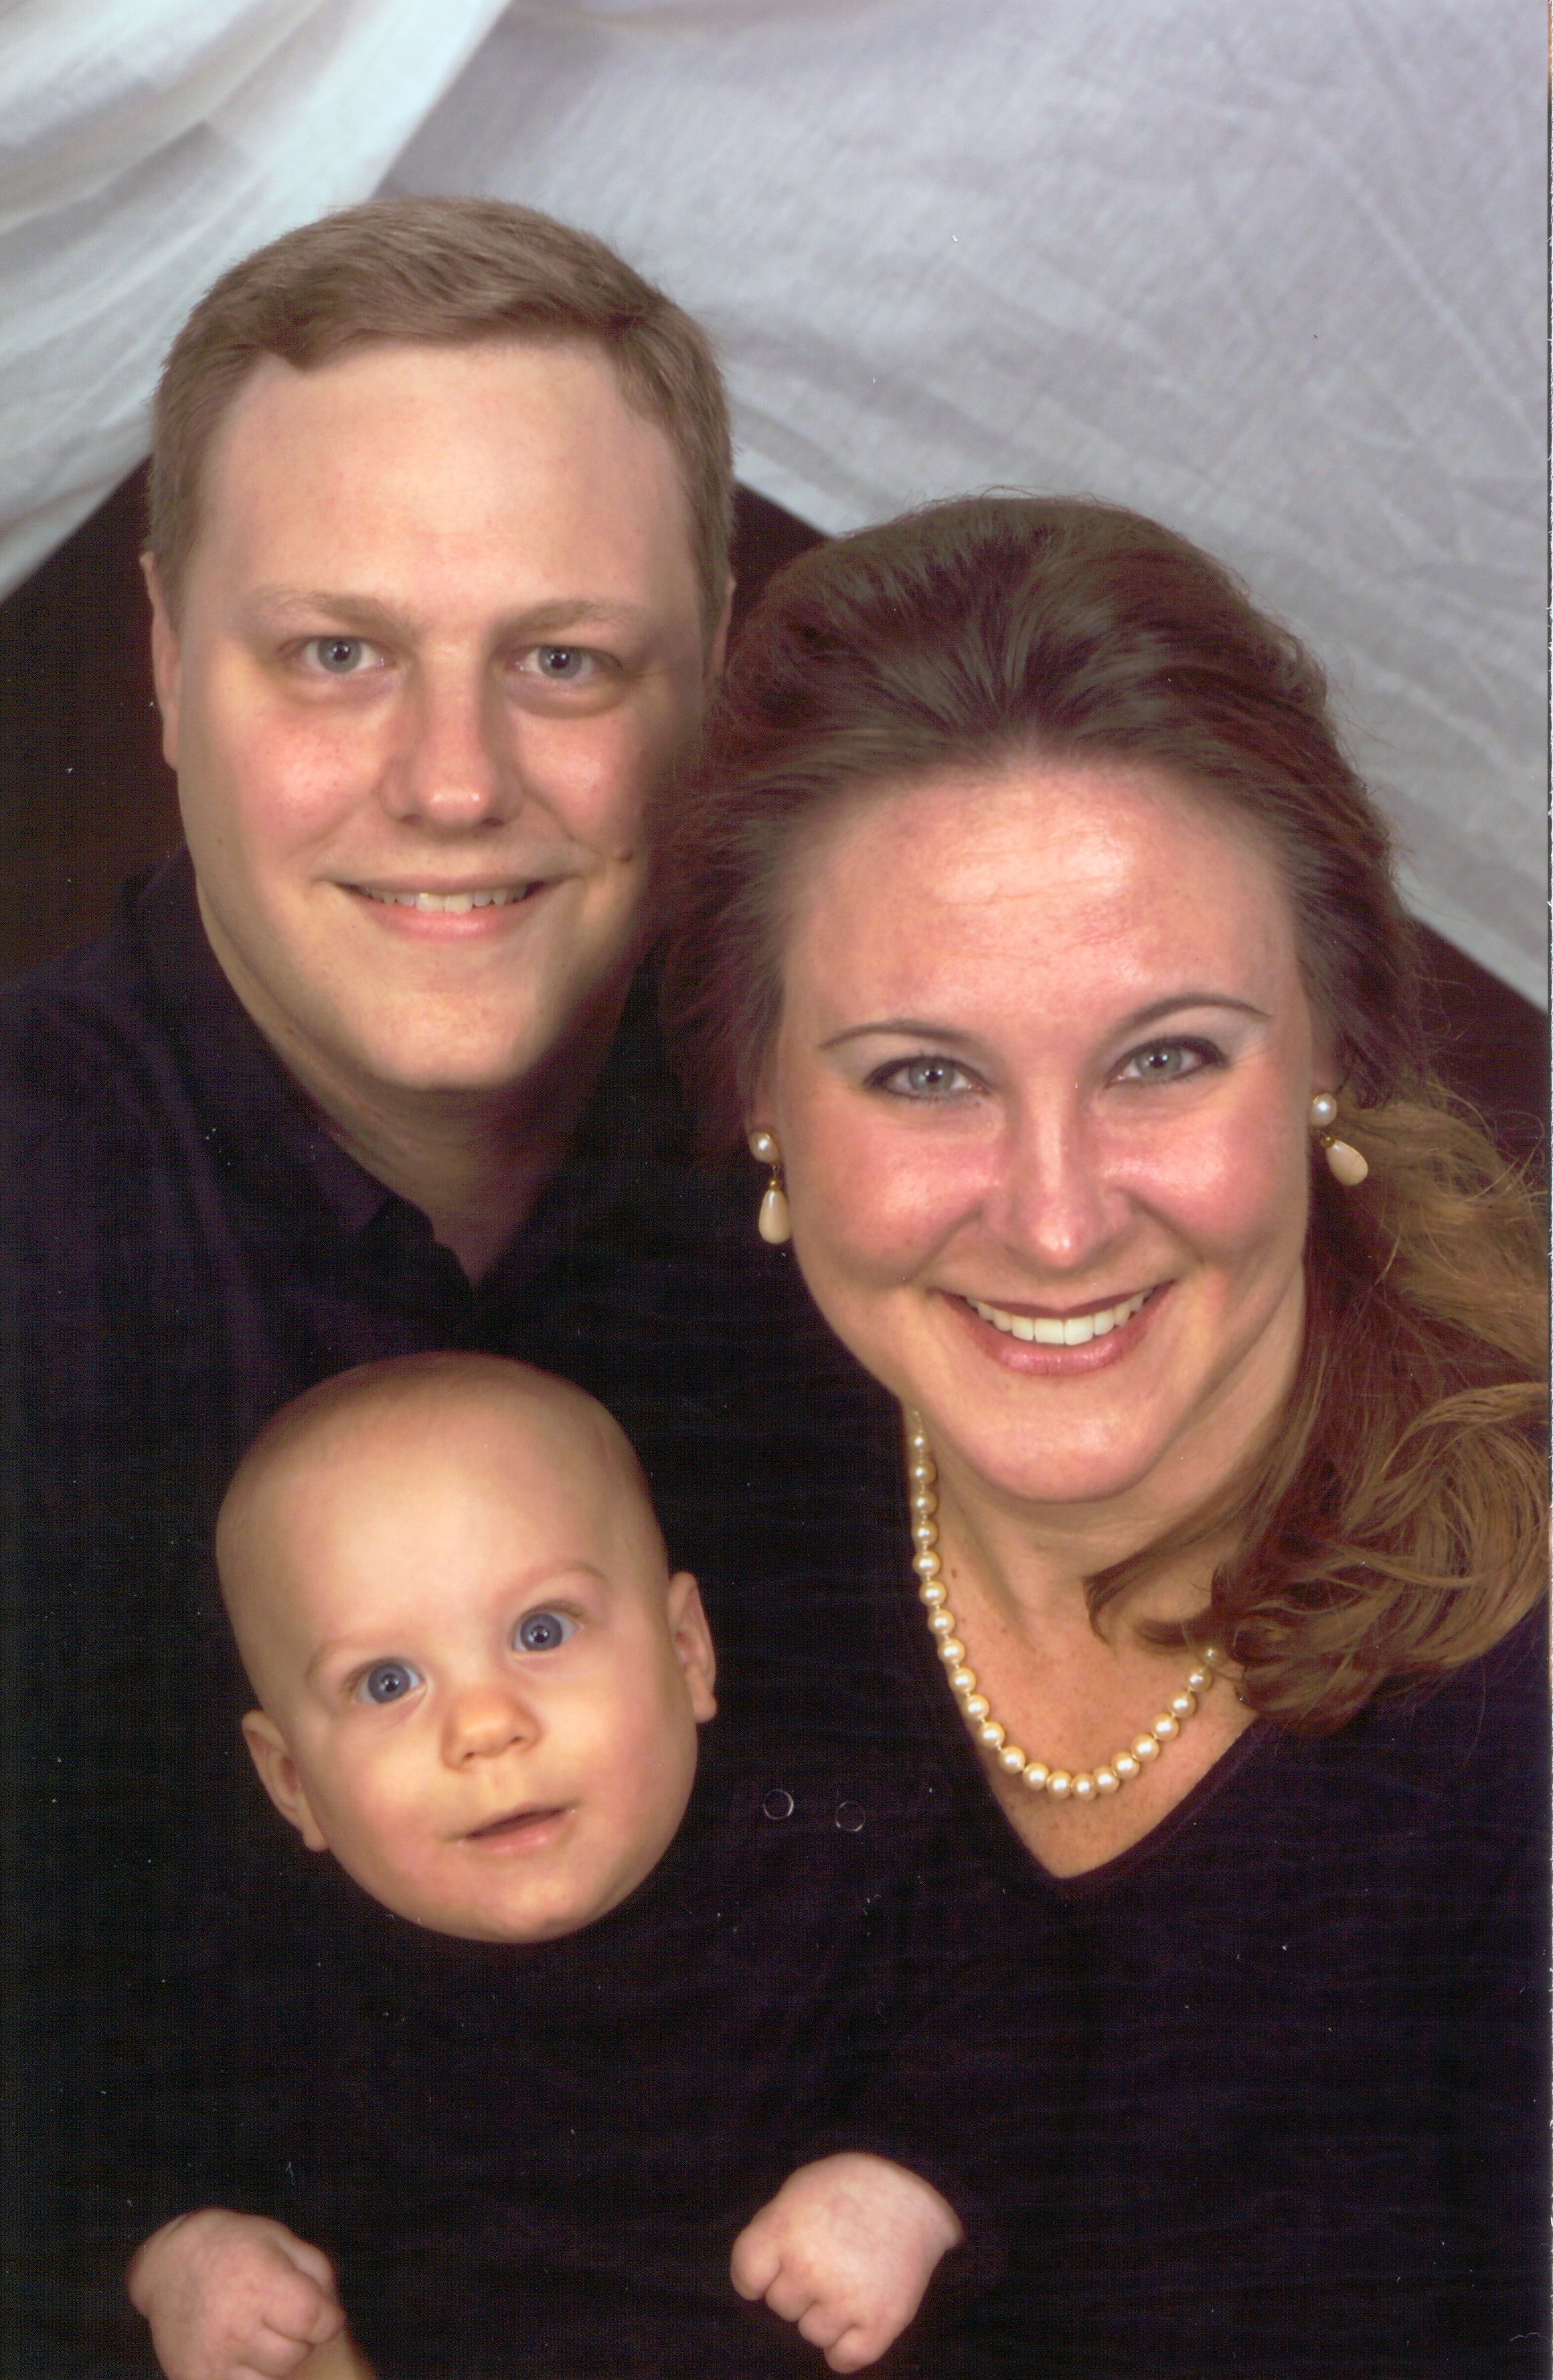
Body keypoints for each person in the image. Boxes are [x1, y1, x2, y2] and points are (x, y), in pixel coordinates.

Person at [0, 195, 839, 2371]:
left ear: (710, 666)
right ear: (161, 655)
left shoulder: (890, 1175)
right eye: (334, 653)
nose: (454, 782)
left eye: (564, 659)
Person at [659, 494, 1550, 2379]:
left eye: (1164, 1056)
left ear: (1332, 1046)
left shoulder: (1520, 1706)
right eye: (924, 1074)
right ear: (757, 1096)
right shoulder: (664, 1509)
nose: (1056, 1222)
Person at [125, 1355, 1005, 2380]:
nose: (485, 1725)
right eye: (387, 1683)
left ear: (687, 1653)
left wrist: (907, 2184)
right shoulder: (275, 1980)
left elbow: (1027, 2007)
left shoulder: (840, 1863)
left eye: (541, 1632)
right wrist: (181, 2255)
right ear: (292, 1784)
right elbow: (115, 2144)